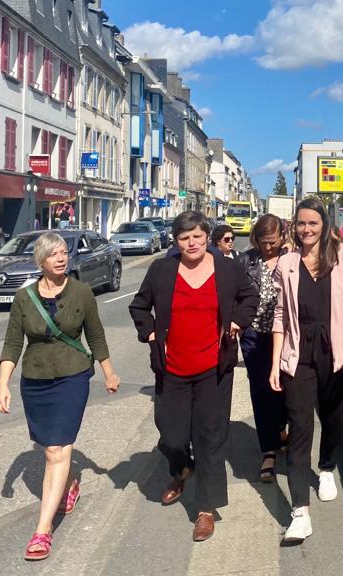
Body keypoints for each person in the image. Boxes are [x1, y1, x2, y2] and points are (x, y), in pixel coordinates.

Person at [129, 211, 257, 542]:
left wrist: (237, 322)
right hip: (172, 367)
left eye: (198, 237)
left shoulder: (227, 269)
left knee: (210, 438)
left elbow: (249, 297)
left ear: (207, 238)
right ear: (176, 241)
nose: (192, 243)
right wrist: (151, 334)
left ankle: (205, 509)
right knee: (171, 435)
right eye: (185, 238)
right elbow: (139, 307)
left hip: (213, 369)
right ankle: (181, 468)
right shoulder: (162, 270)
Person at [0, 232, 120, 561]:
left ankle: (43, 530)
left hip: (73, 377)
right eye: (54, 254)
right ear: (41, 261)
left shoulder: (81, 292)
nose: (61, 258)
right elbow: (12, 343)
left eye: (65, 253)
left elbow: (96, 335)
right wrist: (2, 383)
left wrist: (109, 373)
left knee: (55, 450)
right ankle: (67, 487)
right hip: (35, 381)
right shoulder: (24, 298)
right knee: (51, 447)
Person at [269, 198, 343, 544]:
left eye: (312, 223)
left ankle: (326, 468)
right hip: (299, 354)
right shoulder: (287, 263)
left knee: (334, 416)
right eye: (300, 224)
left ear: (324, 225)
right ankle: (300, 513)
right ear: (293, 227)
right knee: (298, 429)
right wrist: (275, 362)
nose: (306, 229)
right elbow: (280, 314)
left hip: (337, 350)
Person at [236, 214, 289, 483]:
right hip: (254, 335)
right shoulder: (246, 260)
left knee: (284, 388)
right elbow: (234, 293)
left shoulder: (293, 259)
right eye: (263, 242)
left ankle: (281, 427)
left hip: (287, 335)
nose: (268, 247)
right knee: (260, 390)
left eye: (272, 241)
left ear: (282, 236)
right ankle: (268, 450)